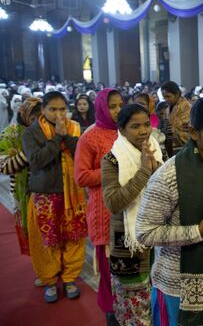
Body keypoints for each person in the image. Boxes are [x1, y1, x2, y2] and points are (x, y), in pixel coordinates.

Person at [136, 98, 203, 326]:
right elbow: (145, 233)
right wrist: (198, 230)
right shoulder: (169, 175)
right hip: (180, 279)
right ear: (194, 132)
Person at [22, 91, 87, 303]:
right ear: (43, 110)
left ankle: (69, 279)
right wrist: (57, 137)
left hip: (73, 195)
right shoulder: (31, 133)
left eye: (62, 109)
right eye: (53, 109)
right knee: (48, 242)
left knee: (73, 238)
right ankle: (49, 281)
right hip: (45, 196)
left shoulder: (75, 128)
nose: (58, 114)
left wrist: (65, 135)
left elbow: (80, 153)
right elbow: (37, 161)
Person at [102, 104, 163, 326]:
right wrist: (144, 172)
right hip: (129, 246)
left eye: (147, 124)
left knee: (156, 303)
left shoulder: (157, 150)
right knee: (135, 312)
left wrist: (156, 170)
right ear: (122, 129)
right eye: (135, 126)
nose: (144, 131)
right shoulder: (112, 160)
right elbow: (114, 203)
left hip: (157, 239)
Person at [74, 88, 124, 322]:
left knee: (132, 270)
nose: (118, 111)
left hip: (130, 209)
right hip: (104, 212)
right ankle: (112, 314)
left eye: (121, 105)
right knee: (109, 271)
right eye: (112, 106)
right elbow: (82, 177)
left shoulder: (128, 131)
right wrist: (112, 172)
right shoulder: (89, 137)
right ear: (102, 107)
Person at [0, 97, 42, 259]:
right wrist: (29, 153)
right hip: (23, 192)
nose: (38, 123)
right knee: (32, 232)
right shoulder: (11, 134)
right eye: (33, 119)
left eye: (41, 118)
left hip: (50, 190)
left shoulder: (52, 130)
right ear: (24, 116)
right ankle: (44, 271)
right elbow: (4, 167)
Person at [161, 81, 191, 152]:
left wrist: (171, 131)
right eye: (164, 97)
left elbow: (189, 132)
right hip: (170, 147)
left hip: (185, 149)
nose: (166, 100)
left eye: (168, 96)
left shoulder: (186, 108)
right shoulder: (168, 109)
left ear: (177, 94)